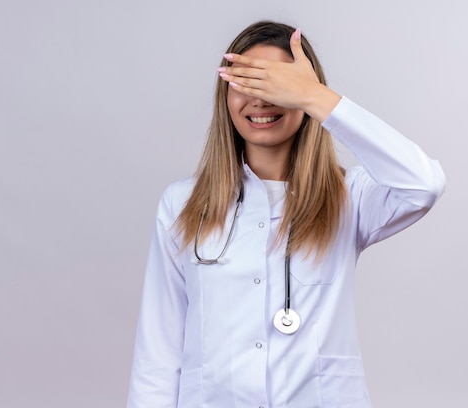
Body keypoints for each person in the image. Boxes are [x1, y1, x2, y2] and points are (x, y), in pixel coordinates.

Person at [127, 21, 446, 408]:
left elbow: (423, 185)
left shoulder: (350, 198)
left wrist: (318, 98)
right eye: (246, 83)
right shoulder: (183, 203)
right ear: (224, 97)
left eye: (276, 86)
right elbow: (158, 354)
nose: (260, 100)